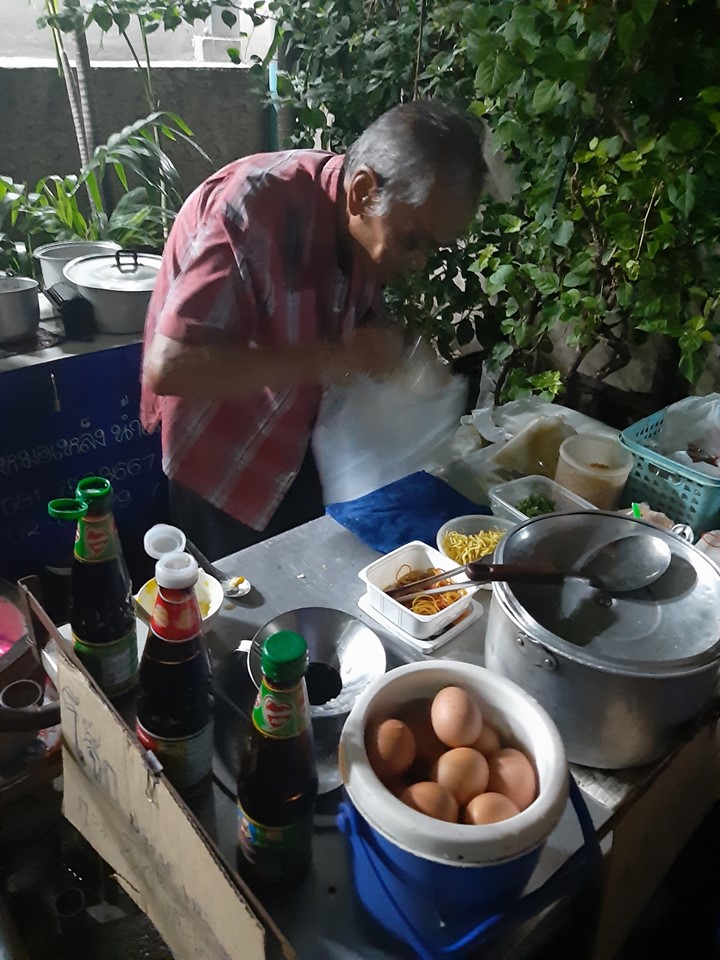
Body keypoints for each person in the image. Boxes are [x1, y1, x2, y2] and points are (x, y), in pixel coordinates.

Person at [140, 99, 488, 559]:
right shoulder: (252, 211)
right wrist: (333, 357)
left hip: (299, 443)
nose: (419, 262)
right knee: (236, 592)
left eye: (434, 248)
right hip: (222, 459)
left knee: (307, 572)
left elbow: (345, 318)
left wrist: (381, 349)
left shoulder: (368, 222)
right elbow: (170, 367)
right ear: (362, 193)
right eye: (413, 241)